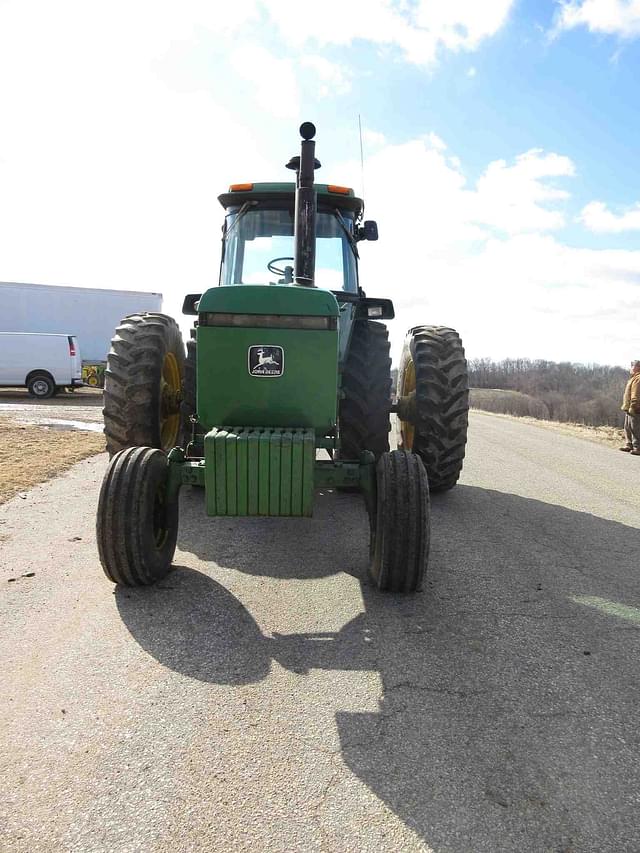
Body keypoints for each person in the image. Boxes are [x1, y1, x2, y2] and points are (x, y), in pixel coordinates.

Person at [620, 360, 640, 455]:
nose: (630, 368)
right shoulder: (633, 378)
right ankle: (629, 444)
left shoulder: (638, 378)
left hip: (635, 408)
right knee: (627, 427)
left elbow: (635, 394)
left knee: (635, 428)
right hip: (629, 408)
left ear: (637, 368)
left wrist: (633, 405)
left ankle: (638, 447)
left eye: (632, 366)